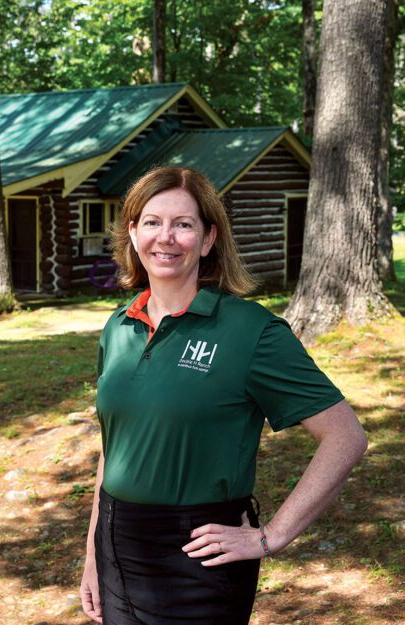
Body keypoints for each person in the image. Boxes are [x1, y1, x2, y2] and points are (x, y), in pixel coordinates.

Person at [79, 166, 368, 625]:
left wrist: (269, 537)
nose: (166, 237)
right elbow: (114, 447)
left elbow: (345, 437)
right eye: (152, 222)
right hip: (117, 544)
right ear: (133, 234)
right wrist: (94, 553)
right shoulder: (118, 326)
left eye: (184, 224)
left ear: (209, 239)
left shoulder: (251, 331)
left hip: (197, 557)